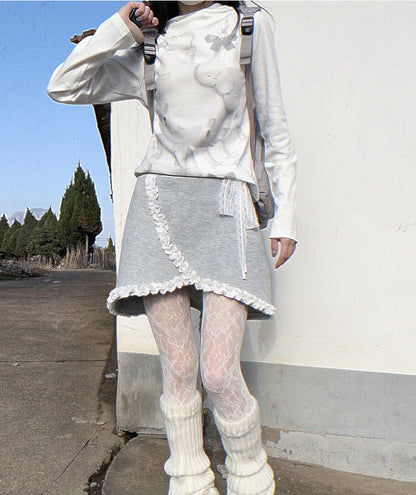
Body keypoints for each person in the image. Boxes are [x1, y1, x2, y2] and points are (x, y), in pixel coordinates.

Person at [47, 1, 297, 494]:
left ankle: (251, 476)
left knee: (219, 373)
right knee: (179, 369)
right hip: (159, 208)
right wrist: (119, 27)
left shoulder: (248, 25)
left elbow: (276, 127)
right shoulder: (152, 46)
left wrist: (285, 215)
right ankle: (188, 479)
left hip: (227, 207)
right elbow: (63, 85)